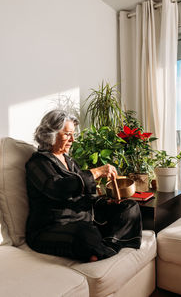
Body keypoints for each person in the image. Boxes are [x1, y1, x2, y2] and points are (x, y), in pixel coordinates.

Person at [25, 109, 142, 262]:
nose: (72, 139)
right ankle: (100, 247)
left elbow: (85, 196)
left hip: (83, 221)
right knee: (84, 233)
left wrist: (106, 202)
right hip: (50, 228)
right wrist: (97, 172)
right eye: (67, 134)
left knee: (129, 207)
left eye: (73, 134)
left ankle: (106, 247)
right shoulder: (37, 163)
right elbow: (58, 188)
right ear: (50, 134)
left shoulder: (69, 161)